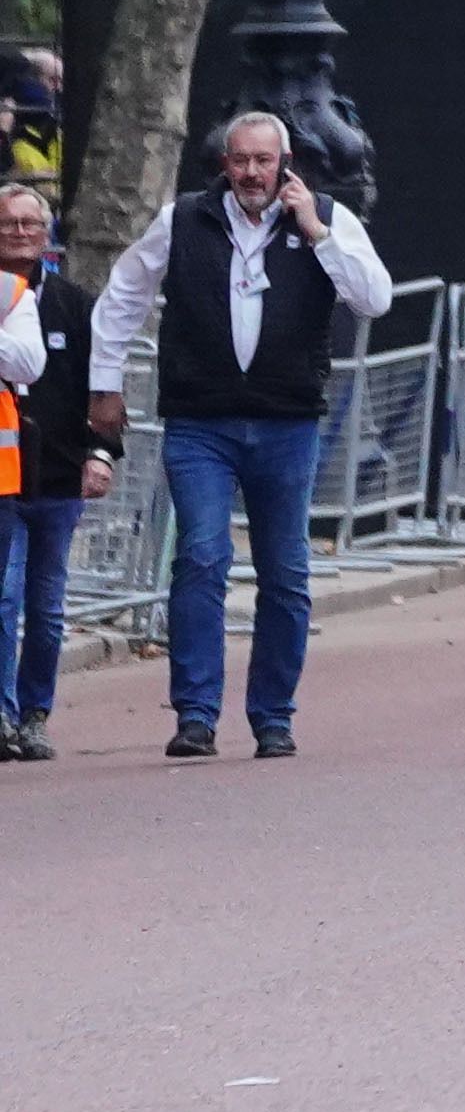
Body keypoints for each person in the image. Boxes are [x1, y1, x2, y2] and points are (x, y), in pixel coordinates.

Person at [78, 109, 397, 756]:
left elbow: (375, 298)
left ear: (286, 164)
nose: (252, 172)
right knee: (201, 553)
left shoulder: (326, 218)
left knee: (285, 569)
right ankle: (195, 714)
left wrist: (316, 232)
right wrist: (104, 384)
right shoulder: (184, 219)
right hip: (202, 420)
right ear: (224, 163)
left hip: (286, 421)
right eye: (240, 159)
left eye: (264, 160)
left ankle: (272, 715)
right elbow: (121, 298)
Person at [0, 179, 102, 761]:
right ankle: (3, 714)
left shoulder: (72, 305)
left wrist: (102, 452)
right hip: (4, 479)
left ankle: (36, 712)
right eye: (9, 223)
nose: (20, 234)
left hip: (59, 474)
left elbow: (102, 387)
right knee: (3, 597)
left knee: (47, 605)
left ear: (47, 234)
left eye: (30, 224)